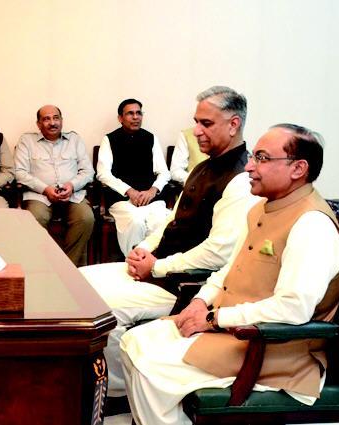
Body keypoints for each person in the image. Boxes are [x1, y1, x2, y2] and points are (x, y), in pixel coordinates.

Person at [120, 124, 339, 425]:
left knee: (151, 366)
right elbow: (229, 268)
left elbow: (293, 308)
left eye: (262, 158)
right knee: (134, 341)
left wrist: (214, 319)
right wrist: (200, 302)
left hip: (271, 349)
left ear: (298, 169)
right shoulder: (261, 209)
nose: (249, 166)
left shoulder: (312, 225)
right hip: (229, 330)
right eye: (253, 157)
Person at [80, 86, 257, 401]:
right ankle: (87, 377)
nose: (196, 131)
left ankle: (117, 393)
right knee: (80, 281)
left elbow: (218, 253)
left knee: (102, 308)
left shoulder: (240, 180)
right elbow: (171, 222)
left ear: (233, 125)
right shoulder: (202, 168)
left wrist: (157, 267)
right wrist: (144, 249)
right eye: (196, 122)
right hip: (160, 269)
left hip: (183, 284)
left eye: (206, 123)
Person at [14, 105, 95, 266]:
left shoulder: (74, 140)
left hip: (72, 195)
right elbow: (19, 172)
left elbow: (88, 171)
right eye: (46, 119)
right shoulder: (27, 141)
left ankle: (66, 267)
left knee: (86, 218)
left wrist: (71, 185)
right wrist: (45, 189)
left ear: (62, 120)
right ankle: (42, 266)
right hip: (39, 196)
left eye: (56, 118)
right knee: (35, 219)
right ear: (38, 124)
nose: (52, 122)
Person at [96, 98, 171, 255]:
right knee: (135, 221)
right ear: (120, 118)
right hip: (122, 200)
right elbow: (103, 173)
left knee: (162, 221)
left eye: (139, 113)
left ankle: (155, 263)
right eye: (130, 113)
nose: (136, 117)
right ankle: (133, 260)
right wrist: (129, 191)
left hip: (150, 199)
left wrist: (152, 190)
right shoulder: (109, 139)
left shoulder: (151, 138)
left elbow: (164, 172)